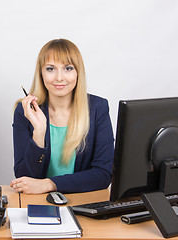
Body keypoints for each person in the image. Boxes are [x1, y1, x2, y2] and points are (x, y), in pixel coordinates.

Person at [10, 39, 114, 194]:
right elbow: (24, 178)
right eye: (51, 69)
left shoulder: (98, 108)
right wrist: (39, 132)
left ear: (78, 72)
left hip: (83, 201)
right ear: (41, 73)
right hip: (39, 203)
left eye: (68, 68)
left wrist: (49, 184)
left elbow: (103, 175)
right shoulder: (25, 111)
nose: (59, 77)